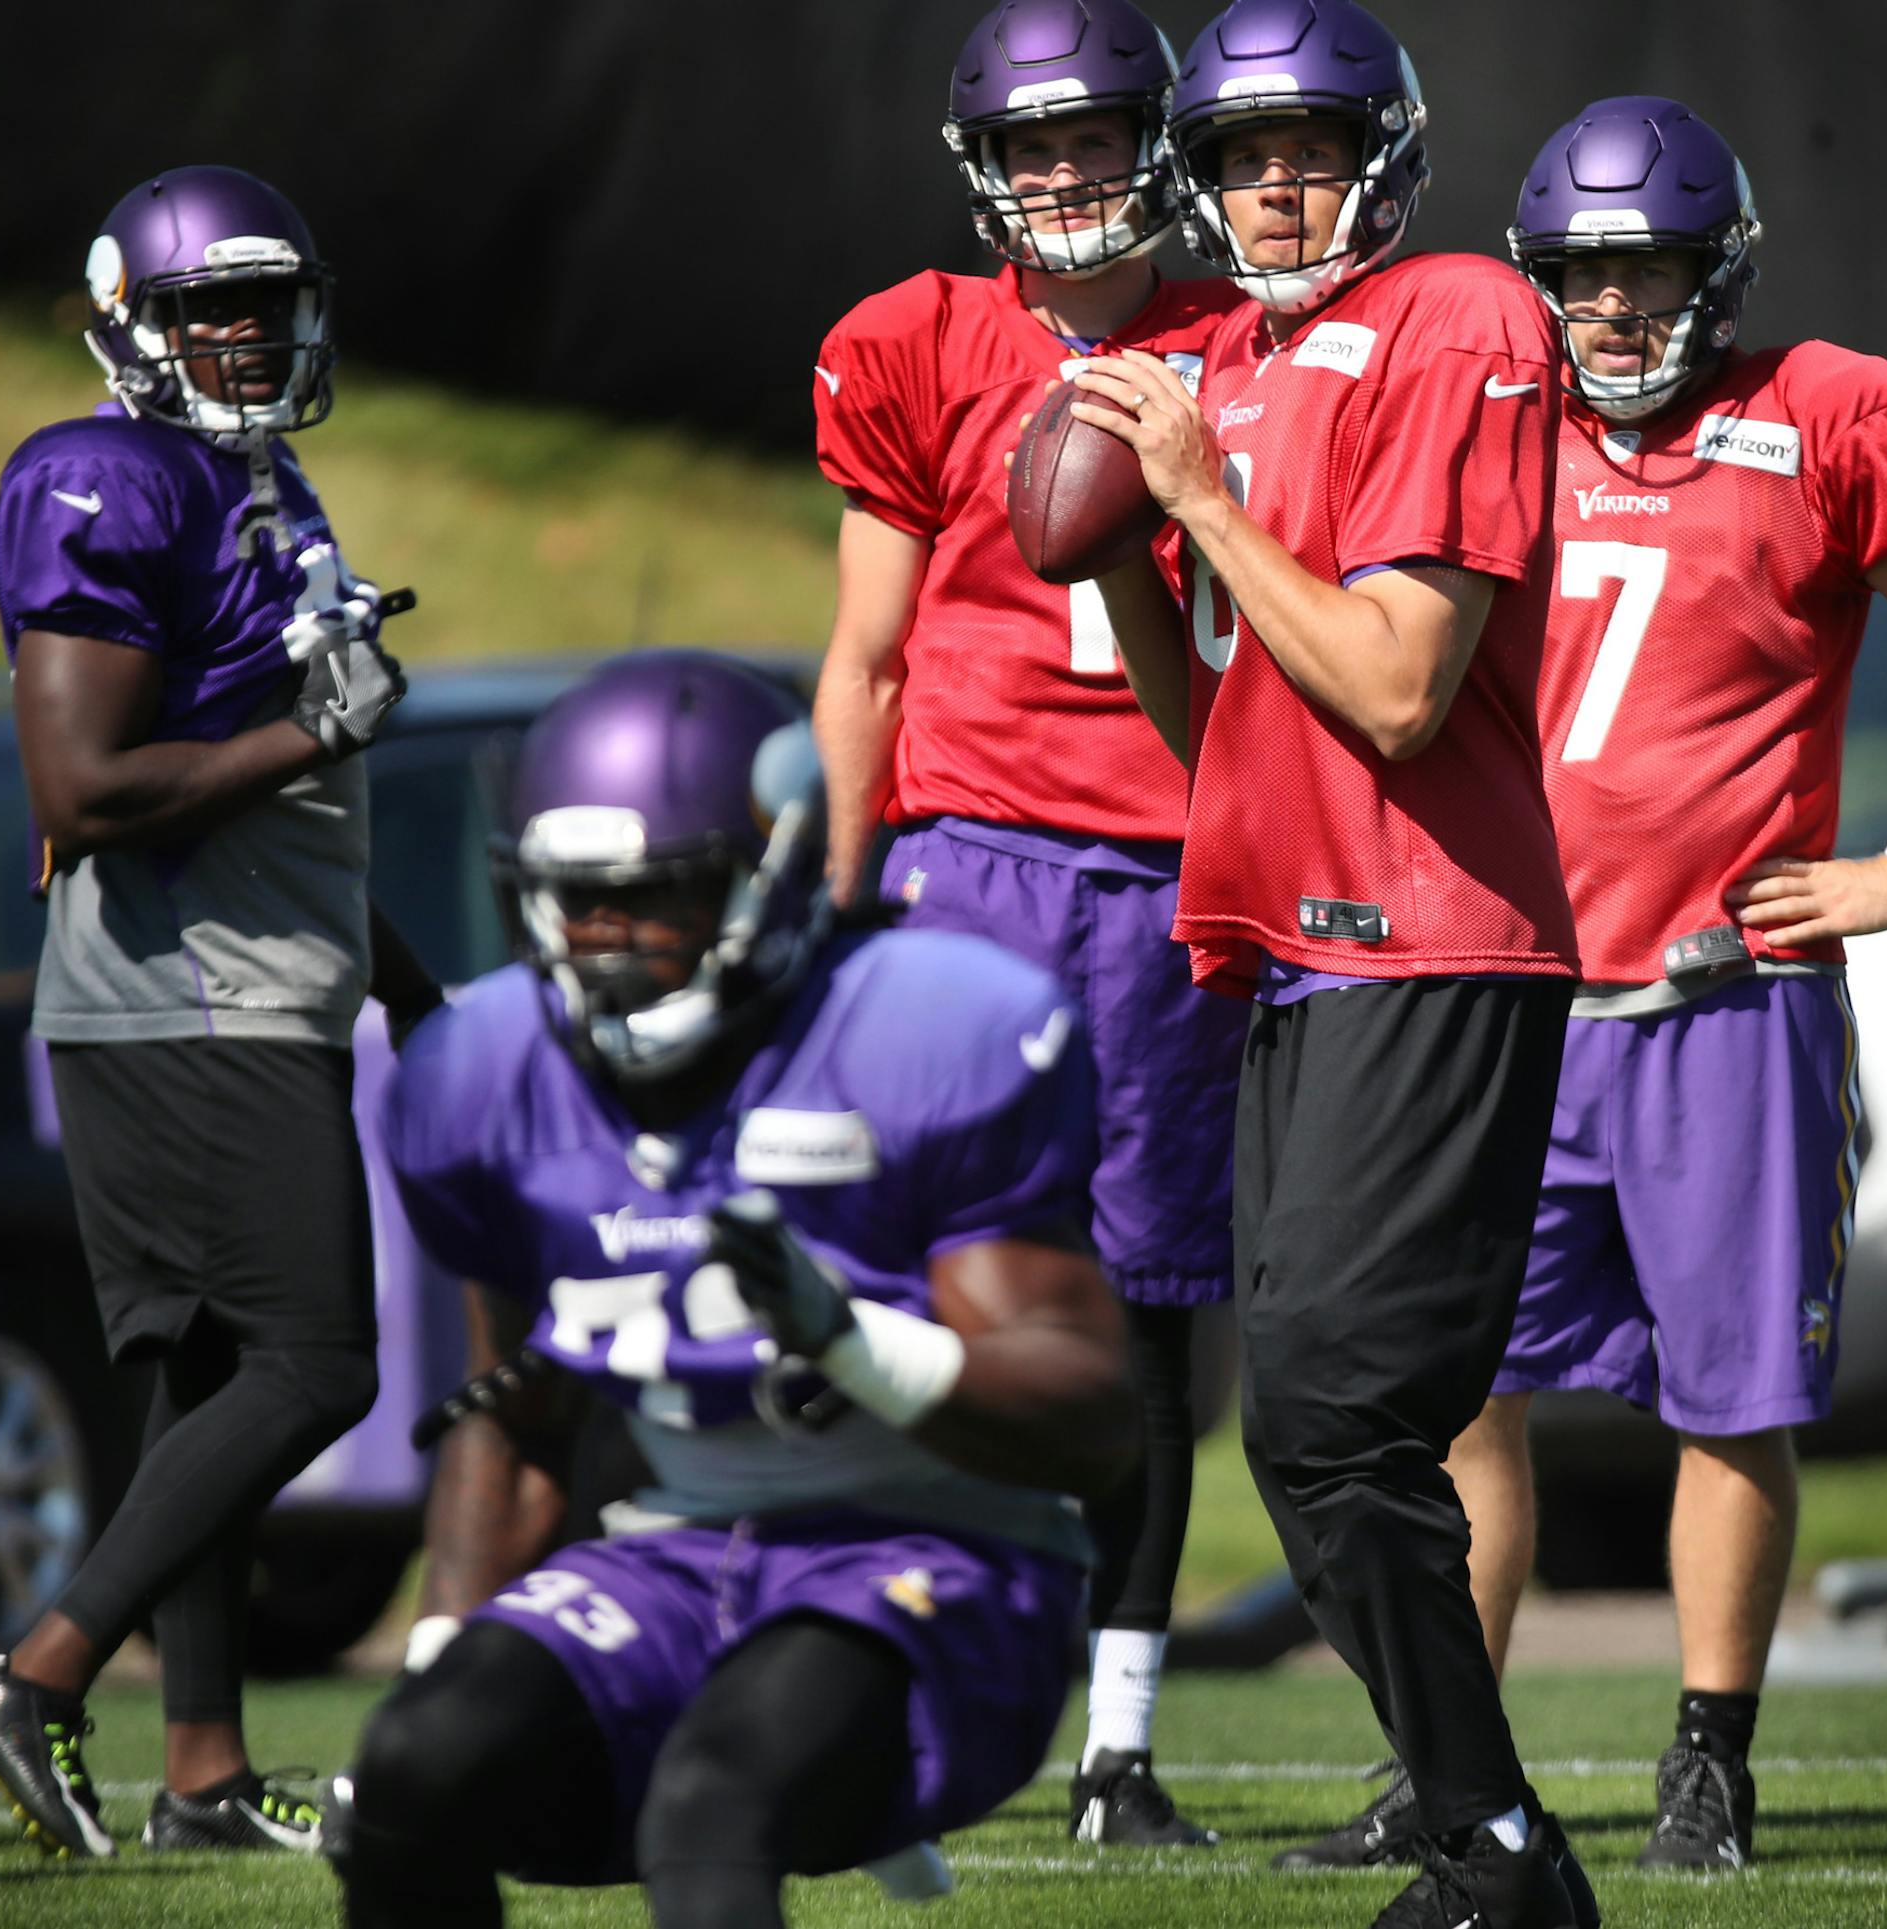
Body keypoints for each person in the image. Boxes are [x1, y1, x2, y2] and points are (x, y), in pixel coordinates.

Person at [1286, 97, 1887, 1879]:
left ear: (1720, 271)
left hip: (1722, 996)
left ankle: (1710, 1752)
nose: (1612, 311)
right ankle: (1449, 1760)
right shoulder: (1484, 430)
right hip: (1508, 998)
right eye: (1584, 277)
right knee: (1463, 1399)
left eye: (1649, 272)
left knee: (1731, 1392)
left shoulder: (1822, 413)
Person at [1055, 2, 1605, 1922]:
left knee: (1333, 1414)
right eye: (1234, 157)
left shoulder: (1460, 314)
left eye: (1304, 147)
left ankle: (1497, 1844)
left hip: (1433, 932)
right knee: (1296, 1431)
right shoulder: (1233, 358)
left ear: (1384, 148)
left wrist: (1198, 493)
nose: (1269, 187)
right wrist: (1130, 543)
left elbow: (1393, 684)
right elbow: (1201, 719)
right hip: (1296, 942)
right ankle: (1487, 1839)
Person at [328, 651, 1139, 1929]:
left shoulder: (918, 1033)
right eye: (572, 906)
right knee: (413, 1774)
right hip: (680, 1549)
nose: (606, 947)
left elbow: (1097, 1423)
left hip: (945, 1553)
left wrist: (851, 1342)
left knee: (714, 1801)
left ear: (771, 871)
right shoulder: (488, 1079)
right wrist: (446, 1657)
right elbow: (522, 1409)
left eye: (656, 902)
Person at [0, 163, 438, 1860]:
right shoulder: (106, 472)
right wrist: (320, 730)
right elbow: (83, 780)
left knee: (210, 1376)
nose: (242, 333)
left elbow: (286, 797)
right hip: (180, 998)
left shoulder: (257, 477)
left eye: (264, 302)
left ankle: (203, 1775)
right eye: (204, 306)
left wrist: (412, 979)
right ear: (127, 321)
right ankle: (42, 1666)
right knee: (316, 1362)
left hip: (247, 987)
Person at [811, 0, 1245, 1847]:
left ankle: (1119, 1743)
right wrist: (834, 906)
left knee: (1147, 1307)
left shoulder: (1253, 345)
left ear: (1158, 143)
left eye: (1097, 141)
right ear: (989, 164)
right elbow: (864, 652)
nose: (1067, 179)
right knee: (912, 1289)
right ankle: (878, 1691)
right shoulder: (910, 341)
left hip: (1168, 863)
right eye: (1037, 147)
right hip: (965, 853)